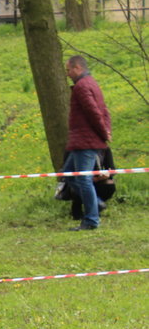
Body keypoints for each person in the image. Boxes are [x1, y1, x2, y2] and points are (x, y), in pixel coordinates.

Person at [63, 55, 111, 231]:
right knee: (67, 174)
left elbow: (94, 112)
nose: (67, 74)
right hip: (83, 140)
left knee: (83, 180)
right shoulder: (92, 83)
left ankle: (91, 219)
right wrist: (106, 129)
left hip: (85, 141)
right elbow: (104, 110)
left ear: (77, 68)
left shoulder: (82, 87)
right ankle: (96, 204)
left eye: (68, 70)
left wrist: (103, 132)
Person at [69, 148, 115, 221]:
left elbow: (112, 169)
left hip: (98, 179)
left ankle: (95, 207)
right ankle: (78, 210)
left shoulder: (105, 149)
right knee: (78, 186)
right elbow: (68, 171)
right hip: (80, 180)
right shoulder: (75, 148)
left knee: (110, 185)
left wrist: (107, 175)